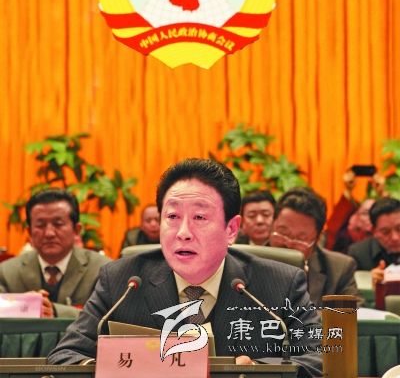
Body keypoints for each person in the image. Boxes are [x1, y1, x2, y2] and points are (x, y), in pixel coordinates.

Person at [48, 158, 322, 376]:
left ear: (231, 229)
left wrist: (256, 372)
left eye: (200, 217)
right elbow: (64, 356)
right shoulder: (123, 281)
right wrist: (107, 369)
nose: (183, 232)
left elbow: (320, 357)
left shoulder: (279, 284)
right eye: (172, 216)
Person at [0, 188, 111, 318]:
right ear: (29, 232)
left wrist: (56, 311)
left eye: (58, 224)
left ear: (76, 230)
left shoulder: (102, 270)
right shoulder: (6, 272)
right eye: (40, 225)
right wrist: (21, 306)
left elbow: (109, 317)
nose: (49, 233)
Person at [269, 187, 359, 306]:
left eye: (300, 238)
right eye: (283, 232)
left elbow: (351, 313)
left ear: (317, 239)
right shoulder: (248, 261)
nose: (289, 244)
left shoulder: (339, 268)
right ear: (271, 225)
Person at [348, 197, 400, 286]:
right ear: (373, 231)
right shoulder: (358, 254)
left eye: (399, 229)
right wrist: (367, 283)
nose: (395, 238)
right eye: (386, 232)